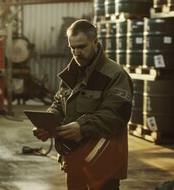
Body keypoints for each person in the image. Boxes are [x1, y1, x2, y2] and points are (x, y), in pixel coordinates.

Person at [33, 19, 133, 190]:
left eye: (81, 46)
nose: (76, 53)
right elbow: (59, 103)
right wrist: (49, 123)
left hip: (104, 162)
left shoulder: (115, 74)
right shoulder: (71, 73)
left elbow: (116, 115)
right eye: (72, 48)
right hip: (74, 159)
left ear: (95, 42)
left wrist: (82, 126)